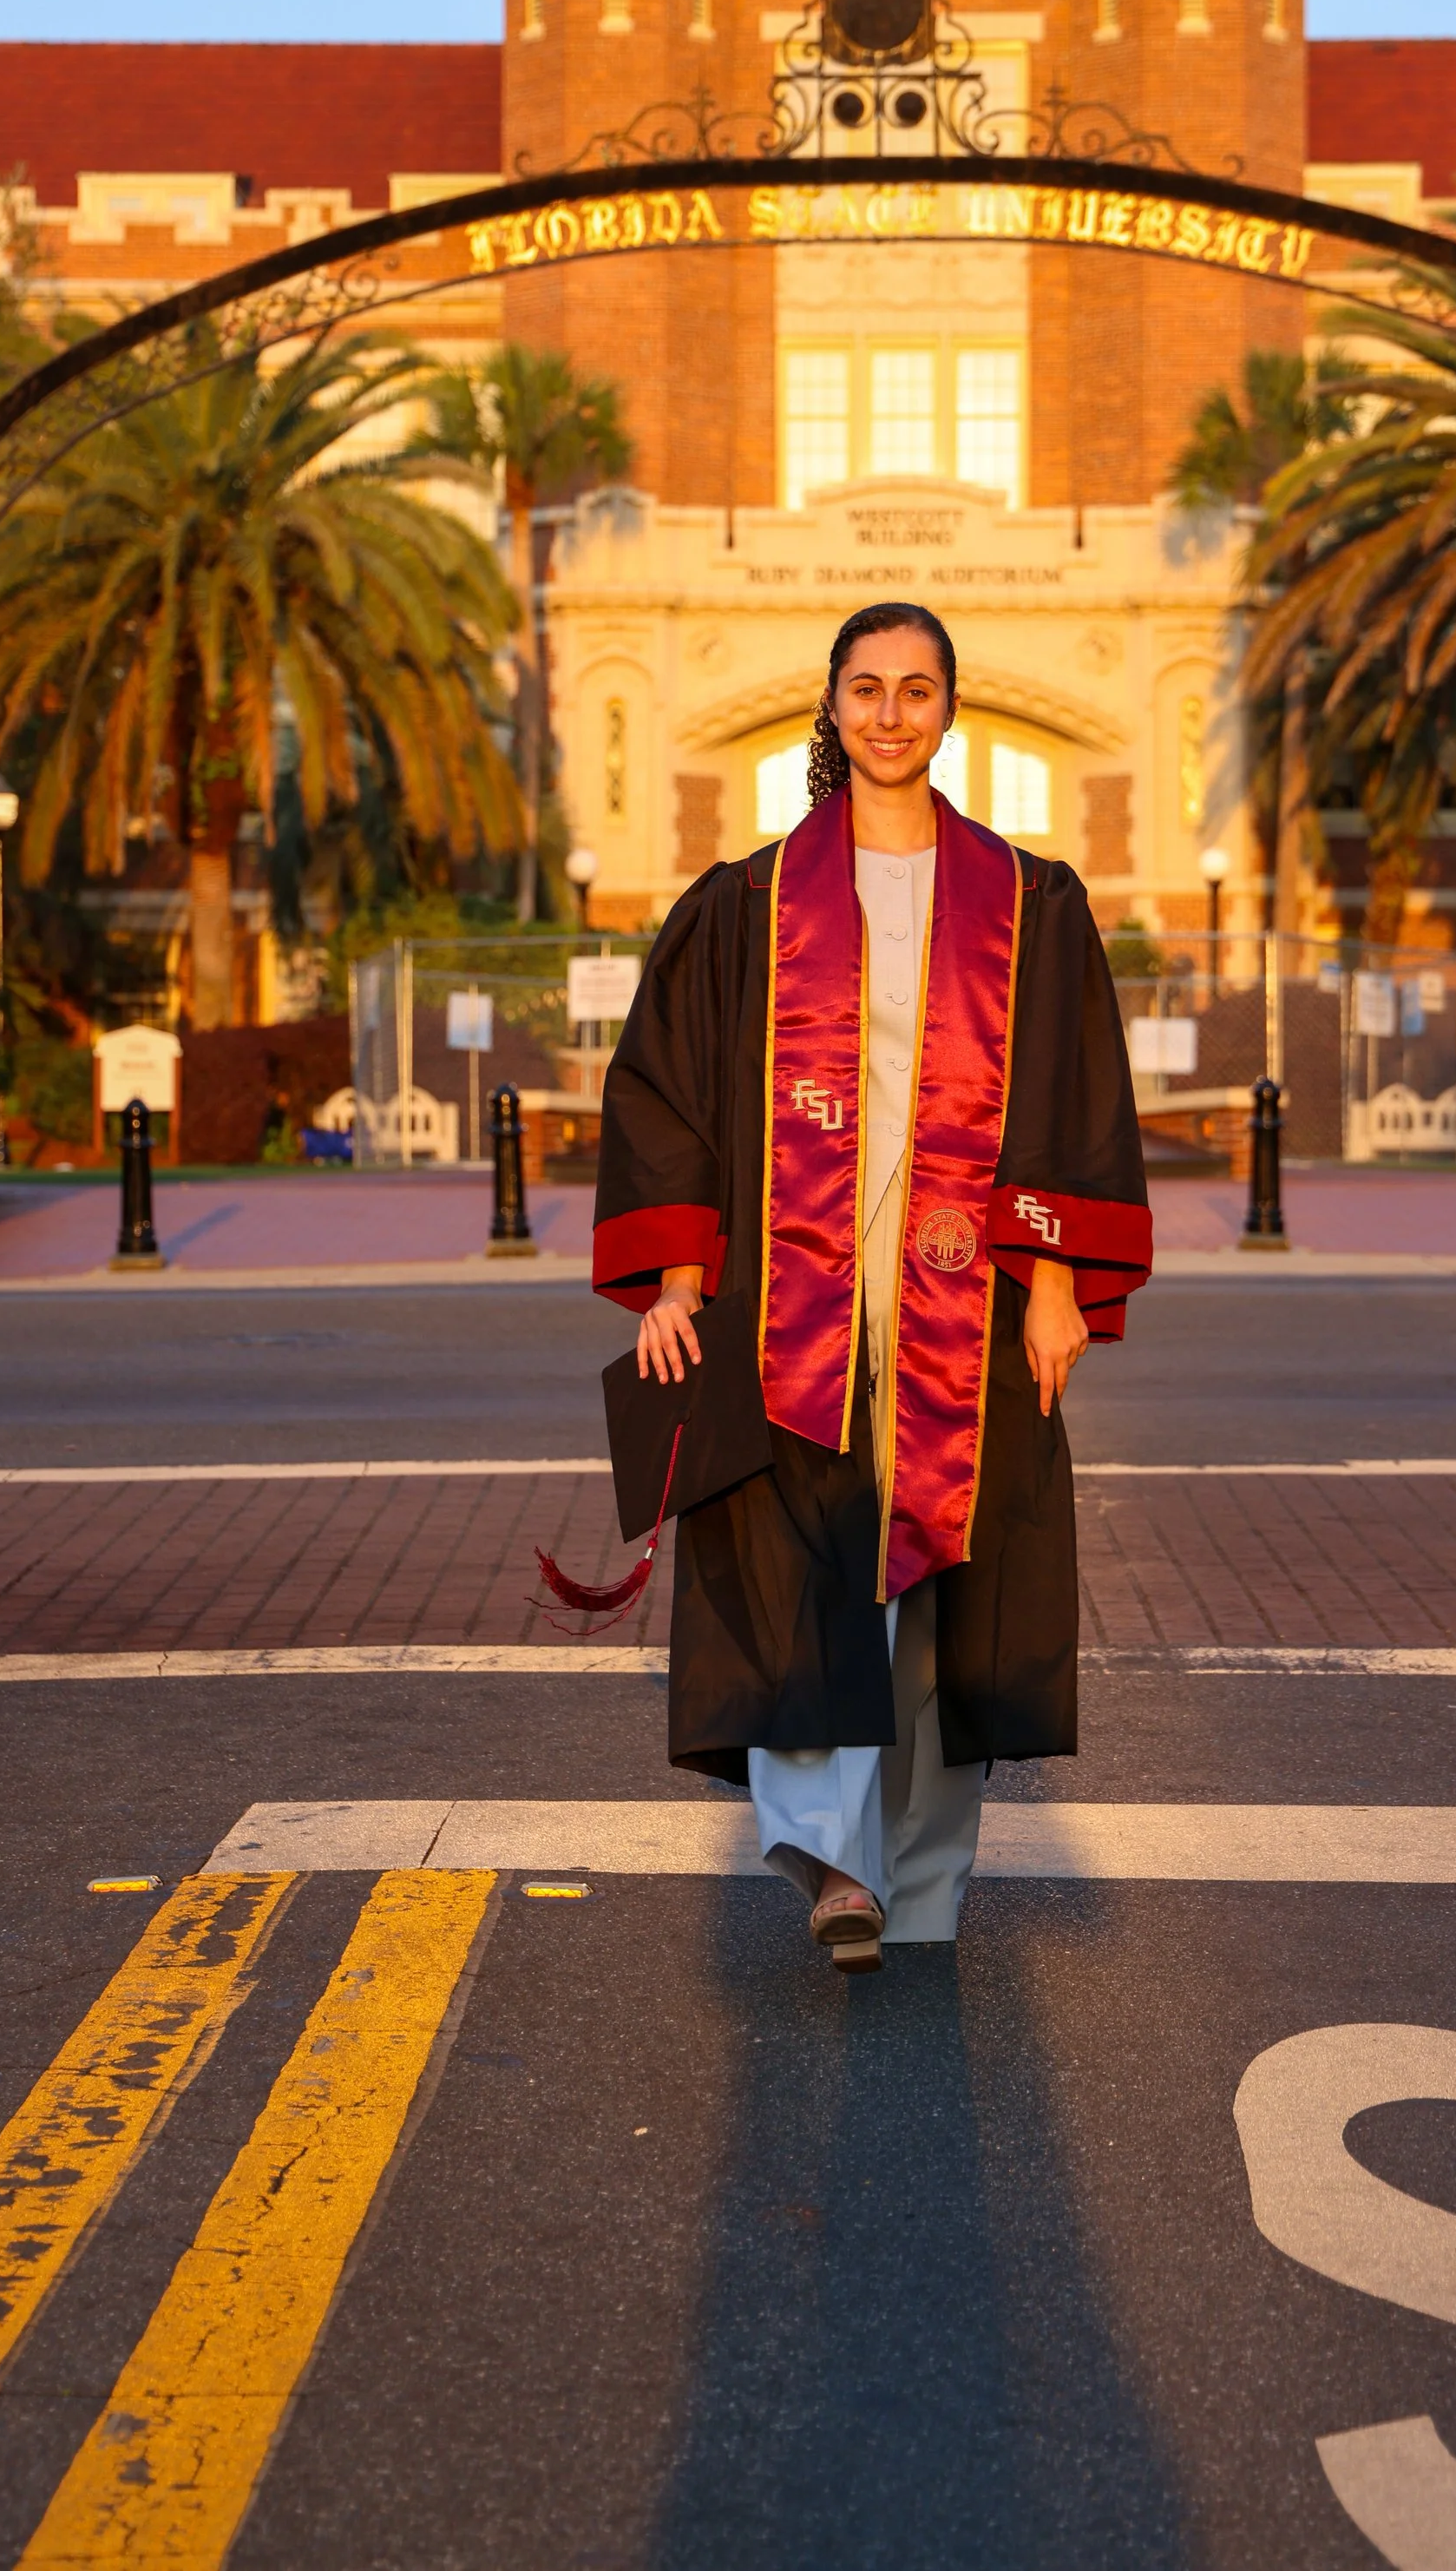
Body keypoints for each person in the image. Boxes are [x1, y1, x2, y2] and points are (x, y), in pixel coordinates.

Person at [593, 601, 1151, 1972]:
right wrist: (678, 1282)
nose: (891, 713)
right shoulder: (746, 905)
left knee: (947, 1589)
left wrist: (1057, 1286)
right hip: (799, 1288)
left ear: (950, 711)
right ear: (830, 711)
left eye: (916, 690)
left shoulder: (1030, 901)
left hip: (963, 1286)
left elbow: (1075, 1105)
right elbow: (673, 1102)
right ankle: (839, 1863)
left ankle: (925, 1878)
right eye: (866, 689)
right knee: (806, 1571)